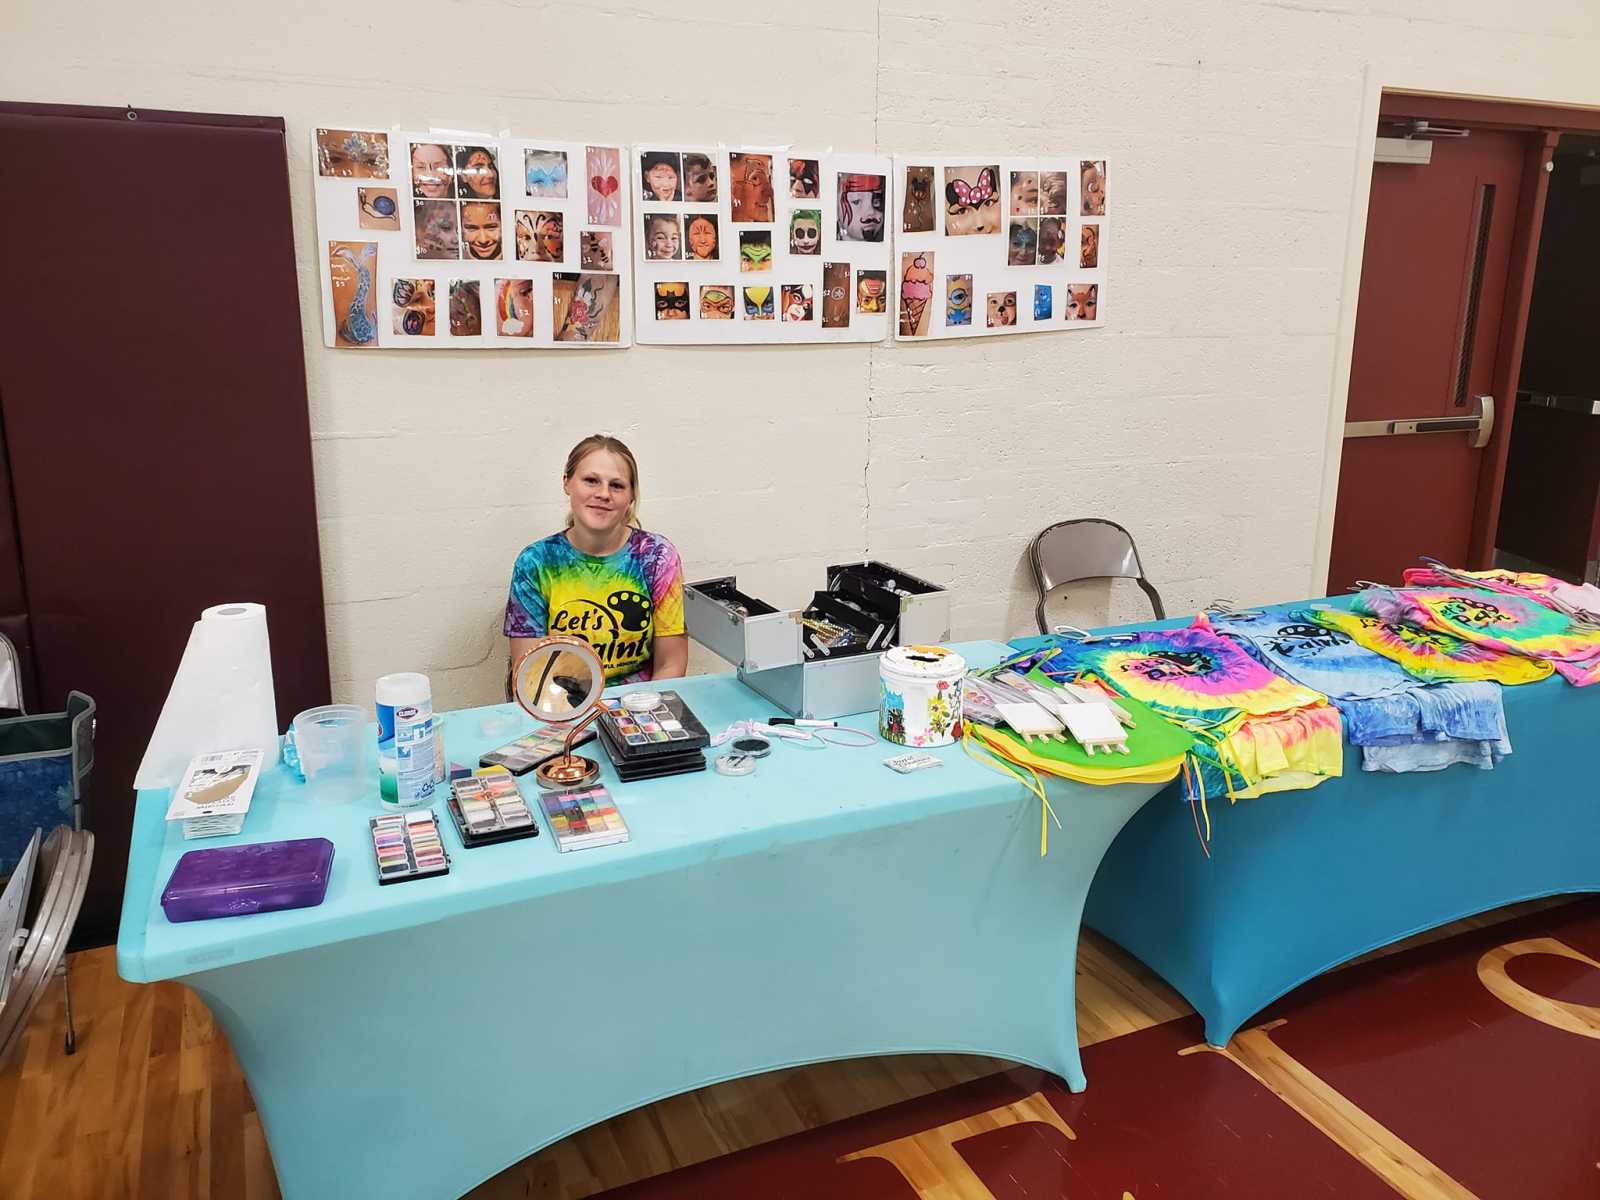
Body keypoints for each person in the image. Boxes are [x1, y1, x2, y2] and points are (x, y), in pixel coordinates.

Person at [506, 436, 687, 685]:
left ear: (631, 496)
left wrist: (643, 706)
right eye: (591, 481)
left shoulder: (657, 557)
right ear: (567, 482)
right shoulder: (536, 563)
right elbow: (530, 676)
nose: (603, 494)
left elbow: (671, 665)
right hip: (562, 702)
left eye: (617, 485)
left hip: (640, 701)